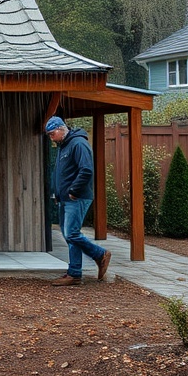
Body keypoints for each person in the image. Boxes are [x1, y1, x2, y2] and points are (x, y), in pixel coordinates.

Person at [46, 116, 111, 285]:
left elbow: (87, 170)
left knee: (72, 233)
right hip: (64, 198)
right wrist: (57, 194)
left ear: (61, 129)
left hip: (77, 197)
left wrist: (74, 190)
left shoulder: (78, 144)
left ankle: (99, 255)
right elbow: (61, 173)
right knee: (69, 235)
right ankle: (74, 273)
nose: (51, 138)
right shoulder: (63, 146)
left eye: (52, 134)